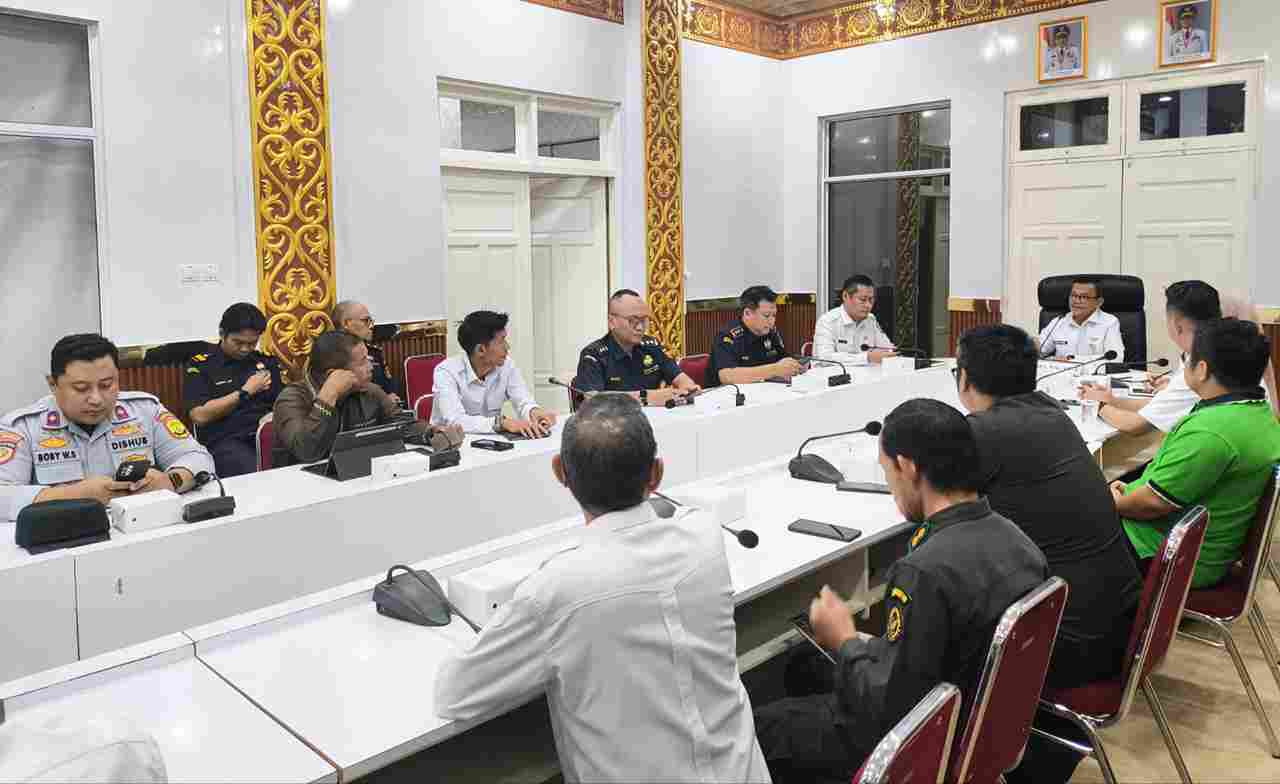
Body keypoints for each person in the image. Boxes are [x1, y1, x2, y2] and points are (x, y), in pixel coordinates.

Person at [434, 395, 770, 782]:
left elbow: (453, 694)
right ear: (657, 475)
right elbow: (676, 513)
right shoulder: (706, 536)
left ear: (560, 472)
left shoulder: (555, 589)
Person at [753, 399, 1048, 782]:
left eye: (887, 471)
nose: (891, 487)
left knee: (760, 728)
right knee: (804, 667)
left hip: (920, 745)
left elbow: (889, 708)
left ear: (907, 467)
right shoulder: (1019, 540)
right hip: (982, 725)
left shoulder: (923, 571)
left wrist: (844, 639)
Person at [955, 325, 1141, 784]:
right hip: (1116, 621)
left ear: (964, 381)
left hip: (1066, 642)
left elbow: (929, 502)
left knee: (932, 626)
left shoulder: (982, 432)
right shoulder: (1054, 415)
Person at [1116, 319, 1280, 589]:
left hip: (1169, 555)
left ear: (1202, 369)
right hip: (1202, 549)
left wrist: (1114, 502)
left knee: (1064, 521)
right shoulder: (1259, 413)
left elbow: (1151, 505)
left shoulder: (1212, 433)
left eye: (1188, 358)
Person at [0, 334, 215, 521]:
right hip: (64, 543)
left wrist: (170, 481)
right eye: (81, 388)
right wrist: (72, 496)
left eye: (106, 385)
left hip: (141, 530)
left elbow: (197, 456)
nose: (96, 399)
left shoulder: (144, 410)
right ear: (53, 384)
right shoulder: (22, 427)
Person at [272, 331, 461, 467]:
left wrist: (431, 432)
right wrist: (327, 396)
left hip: (353, 479)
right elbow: (307, 452)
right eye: (362, 362)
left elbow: (402, 426)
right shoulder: (291, 400)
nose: (371, 366)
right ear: (334, 374)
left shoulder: (368, 391)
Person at [1080, 280, 1221, 437]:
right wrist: (1112, 400)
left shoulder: (1197, 368)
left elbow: (1135, 425)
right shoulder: (1207, 349)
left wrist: (1098, 405)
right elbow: (1158, 407)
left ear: (1177, 325)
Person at [184, 303, 282, 477]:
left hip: (265, 435)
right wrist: (246, 392)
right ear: (222, 334)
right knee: (258, 475)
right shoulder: (202, 365)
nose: (245, 349)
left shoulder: (266, 363)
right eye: (238, 342)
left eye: (252, 343)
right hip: (226, 441)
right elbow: (199, 416)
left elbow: (280, 402)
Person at [431, 310, 556, 438]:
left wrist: (534, 411)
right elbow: (455, 420)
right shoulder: (446, 372)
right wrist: (501, 423)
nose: (507, 347)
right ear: (481, 350)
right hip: (451, 446)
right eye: (502, 341)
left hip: (492, 445)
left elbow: (523, 400)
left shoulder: (506, 365)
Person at [574, 289, 701, 407]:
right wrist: (646, 397)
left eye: (644, 320)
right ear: (612, 322)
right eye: (633, 321)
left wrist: (688, 389)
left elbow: (680, 378)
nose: (640, 327)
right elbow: (592, 402)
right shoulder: (594, 355)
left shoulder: (651, 345)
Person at [707, 286, 804, 387]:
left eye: (774, 315)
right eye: (766, 315)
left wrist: (794, 366)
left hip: (762, 391)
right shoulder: (728, 336)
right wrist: (775, 369)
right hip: (728, 397)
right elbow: (727, 376)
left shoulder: (770, 332)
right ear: (747, 313)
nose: (772, 321)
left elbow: (783, 360)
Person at [812, 274, 896, 364]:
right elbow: (825, 358)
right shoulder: (827, 321)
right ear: (845, 296)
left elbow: (887, 348)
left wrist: (890, 353)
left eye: (871, 300)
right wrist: (867, 358)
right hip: (830, 375)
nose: (868, 305)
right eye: (863, 300)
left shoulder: (870, 320)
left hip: (864, 376)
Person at [1036, 277, 1125, 362]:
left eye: (1084, 297)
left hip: (1093, 376)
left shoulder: (1109, 322)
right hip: (1060, 375)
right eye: (1073, 295)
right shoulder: (1059, 321)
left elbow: (1115, 359)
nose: (1076, 301)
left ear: (1099, 302)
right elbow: (1038, 350)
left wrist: (1072, 360)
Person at [332, 300, 402, 405]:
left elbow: (390, 386)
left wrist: (391, 397)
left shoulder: (374, 352)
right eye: (366, 320)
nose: (372, 325)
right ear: (346, 323)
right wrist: (382, 401)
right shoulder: (331, 354)